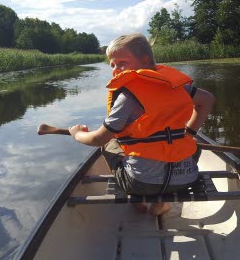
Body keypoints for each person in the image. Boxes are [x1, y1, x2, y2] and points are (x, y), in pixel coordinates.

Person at [69, 33, 215, 216]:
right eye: (112, 65)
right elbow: (208, 100)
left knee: (110, 142)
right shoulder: (178, 87)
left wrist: (77, 134)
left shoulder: (128, 96)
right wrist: (190, 131)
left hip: (141, 183)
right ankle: (159, 204)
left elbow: (99, 138)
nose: (115, 70)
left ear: (145, 61)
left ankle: (137, 201)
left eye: (121, 63)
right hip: (186, 179)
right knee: (188, 144)